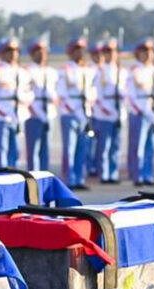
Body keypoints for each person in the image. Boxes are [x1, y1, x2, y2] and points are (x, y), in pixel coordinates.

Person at [125, 37, 154, 186]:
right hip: (140, 112)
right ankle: (138, 175)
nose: (148, 55)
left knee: (152, 146)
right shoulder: (135, 70)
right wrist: (140, 110)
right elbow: (130, 94)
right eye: (145, 51)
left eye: (150, 51)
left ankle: (148, 174)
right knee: (139, 146)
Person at [57, 36, 95, 190]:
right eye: (76, 50)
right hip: (70, 111)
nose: (79, 53)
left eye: (81, 50)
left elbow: (93, 90)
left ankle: (79, 178)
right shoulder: (66, 69)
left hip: (84, 110)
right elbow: (62, 91)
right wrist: (72, 108)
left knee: (82, 147)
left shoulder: (87, 69)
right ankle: (70, 178)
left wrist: (89, 100)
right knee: (70, 148)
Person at [0, 35, 30, 170]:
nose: (13, 54)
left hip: (18, 113)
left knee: (16, 149)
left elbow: (29, 92)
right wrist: (2, 111)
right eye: (9, 51)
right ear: (2, 53)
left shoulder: (22, 71)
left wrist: (23, 98)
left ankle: (13, 174)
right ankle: (0, 176)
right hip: (1, 114)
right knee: (1, 149)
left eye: (15, 51)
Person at [93, 38, 124, 184]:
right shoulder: (101, 71)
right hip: (105, 112)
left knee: (116, 145)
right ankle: (104, 173)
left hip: (118, 111)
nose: (111, 54)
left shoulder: (121, 71)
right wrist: (108, 110)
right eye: (107, 51)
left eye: (113, 51)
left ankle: (113, 173)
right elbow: (98, 94)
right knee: (104, 145)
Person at [25, 35, 58, 172]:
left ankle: (44, 174)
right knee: (34, 148)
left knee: (47, 147)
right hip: (34, 111)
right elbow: (26, 92)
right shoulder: (27, 71)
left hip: (49, 111)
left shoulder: (51, 71)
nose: (42, 54)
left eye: (44, 51)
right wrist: (34, 110)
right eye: (38, 50)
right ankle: (34, 176)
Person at [87, 41, 103, 177]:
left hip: (104, 111)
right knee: (91, 141)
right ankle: (90, 166)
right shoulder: (89, 70)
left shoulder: (107, 69)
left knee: (102, 142)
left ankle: (99, 166)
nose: (99, 56)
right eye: (96, 54)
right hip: (92, 109)